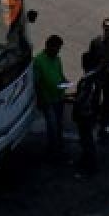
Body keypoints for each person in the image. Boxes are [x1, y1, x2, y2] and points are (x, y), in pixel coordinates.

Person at [32, 34, 68, 162]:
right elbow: (36, 83)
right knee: (52, 125)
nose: (58, 51)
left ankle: (58, 145)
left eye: (59, 49)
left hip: (59, 97)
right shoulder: (38, 61)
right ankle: (53, 151)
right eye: (56, 48)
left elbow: (60, 74)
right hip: (48, 100)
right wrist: (40, 100)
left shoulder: (57, 59)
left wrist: (65, 81)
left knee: (59, 124)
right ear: (48, 47)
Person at [73, 49, 102, 175]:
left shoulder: (87, 79)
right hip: (93, 113)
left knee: (86, 140)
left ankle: (90, 165)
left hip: (85, 115)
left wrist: (74, 102)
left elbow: (82, 99)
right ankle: (86, 161)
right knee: (88, 139)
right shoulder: (95, 76)